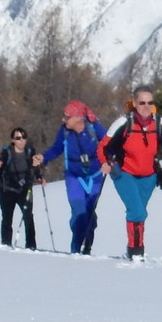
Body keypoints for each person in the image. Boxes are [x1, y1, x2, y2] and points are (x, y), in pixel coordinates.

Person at [99, 89, 162, 259]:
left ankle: (133, 250)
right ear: (135, 104)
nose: (146, 106)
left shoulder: (159, 123)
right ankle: (136, 252)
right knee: (137, 212)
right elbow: (104, 146)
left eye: (150, 103)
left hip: (149, 175)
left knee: (139, 214)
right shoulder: (124, 123)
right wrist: (105, 162)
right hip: (124, 173)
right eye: (142, 103)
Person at [34, 101, 108, 255]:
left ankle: (86, 248)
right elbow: (57, 148)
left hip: (94, 177)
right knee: (78, 212)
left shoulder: (95, 128)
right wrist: (43, 157)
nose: (63, 120)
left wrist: (109, 162)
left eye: (67, 117)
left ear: (78, 118)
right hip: (73, 177)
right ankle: (76, 249)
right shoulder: (65, 131)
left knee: (90, 213)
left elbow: (109, 145)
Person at [0, 127, 40, 249]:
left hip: (24, 190)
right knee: (7, 217)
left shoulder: (30, 152)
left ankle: (31, 246)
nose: (21, 140)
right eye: (18, 138)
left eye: (24, 137)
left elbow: (35, 169)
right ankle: (6, 244)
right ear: (13, 140)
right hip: (7, 191)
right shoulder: (6, 154)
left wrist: (40, 177)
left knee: (28, 217)